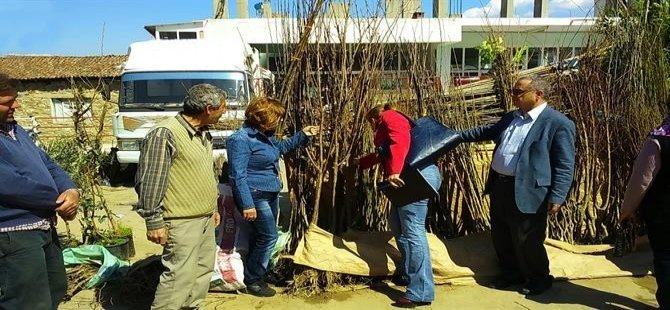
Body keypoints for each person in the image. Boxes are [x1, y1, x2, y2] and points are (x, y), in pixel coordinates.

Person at [459, 75, 576, 296]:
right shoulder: (512, 117)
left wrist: (558, 196)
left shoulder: (558, 123)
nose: (513, 95)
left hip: (530, 190)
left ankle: (539, 278)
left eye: (518, 92)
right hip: (501, 186)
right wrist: (455, 137)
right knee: (502, 235)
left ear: (538, 94)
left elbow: (565, 164)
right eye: (513, 91)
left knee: (528, 239)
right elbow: (485, 132)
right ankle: (511, 274)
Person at [135, 84, 226, 310]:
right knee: (178, 277)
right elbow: (150, 180)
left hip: (203, 217)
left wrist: (213, 208)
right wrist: (153, 220)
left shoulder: (203, 134)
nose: (225, 112)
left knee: (202, 270)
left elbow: (205, 174)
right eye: (222, 108)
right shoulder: (165, 133)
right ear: (208, 108)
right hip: (180, 221)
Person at [0, 72, 80, 310]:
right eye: (7, 101)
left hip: (43, 227)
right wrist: (58, 202)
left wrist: (70, 190)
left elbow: (48, 164)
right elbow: (11, 184)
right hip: (13, 235)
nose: (17, 105)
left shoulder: (15, 129)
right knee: (27, 302)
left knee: (55, 288)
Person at [227, 97, 319, 297]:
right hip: (254, 194)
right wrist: (247, 204)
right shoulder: (241, 140)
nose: (279, 121)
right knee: (269, 236)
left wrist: (303, 134)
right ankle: (253, 279)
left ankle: (260, 270)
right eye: (276, 117)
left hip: (269, 191)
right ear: (262, 118)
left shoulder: (265, 136)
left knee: (260, 236)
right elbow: (237, 175)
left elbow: (282, 149)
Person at [354, 104, 442, 309]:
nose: (372, 127)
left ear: (374, 117)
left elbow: (399, 140)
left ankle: (420, 291)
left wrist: (393, 171)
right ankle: (407, 273)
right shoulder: (392, 121)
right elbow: (385, 152)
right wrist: (362, 162)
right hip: (411, 176)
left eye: (371, 123)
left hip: (414, 177)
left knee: (413, 231)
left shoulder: (390, 116)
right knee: (397, 224)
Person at [620, 116, 670, 309]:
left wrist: (628, 209)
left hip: (664, 214)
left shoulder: (660, 138)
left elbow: (641, 180)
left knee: (666, 258)